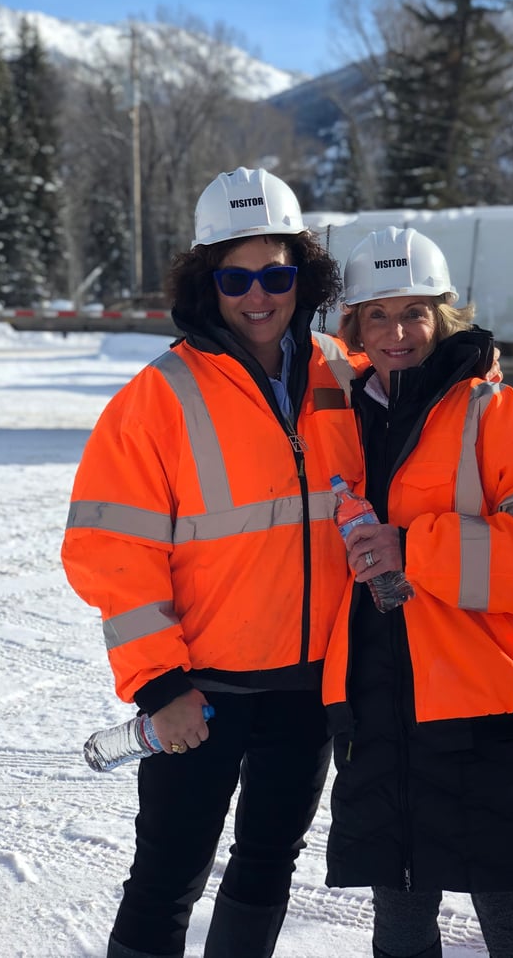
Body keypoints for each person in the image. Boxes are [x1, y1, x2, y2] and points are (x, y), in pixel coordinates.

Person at [61, 166, 367, 958]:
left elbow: (429, 388)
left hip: (307, 688)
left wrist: (474, 363)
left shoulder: (341, 371)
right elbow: (110, 554)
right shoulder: (157, 396)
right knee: (168, 874)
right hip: (202, 692)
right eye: (236, 275)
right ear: (208, 279)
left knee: (269, 862)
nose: (257, 294)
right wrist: (162, 687)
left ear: (304, 273)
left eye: (275, 272)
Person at [321, 226, 513, 958]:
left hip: (483, 705)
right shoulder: (345, 422)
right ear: (354, 326)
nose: (397, 332)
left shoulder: (506, 419)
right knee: (401, 918)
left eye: (414, 312)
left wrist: (413, 548)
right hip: (381, 700)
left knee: (509, 920)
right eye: (377, 315)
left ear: (443, 316)